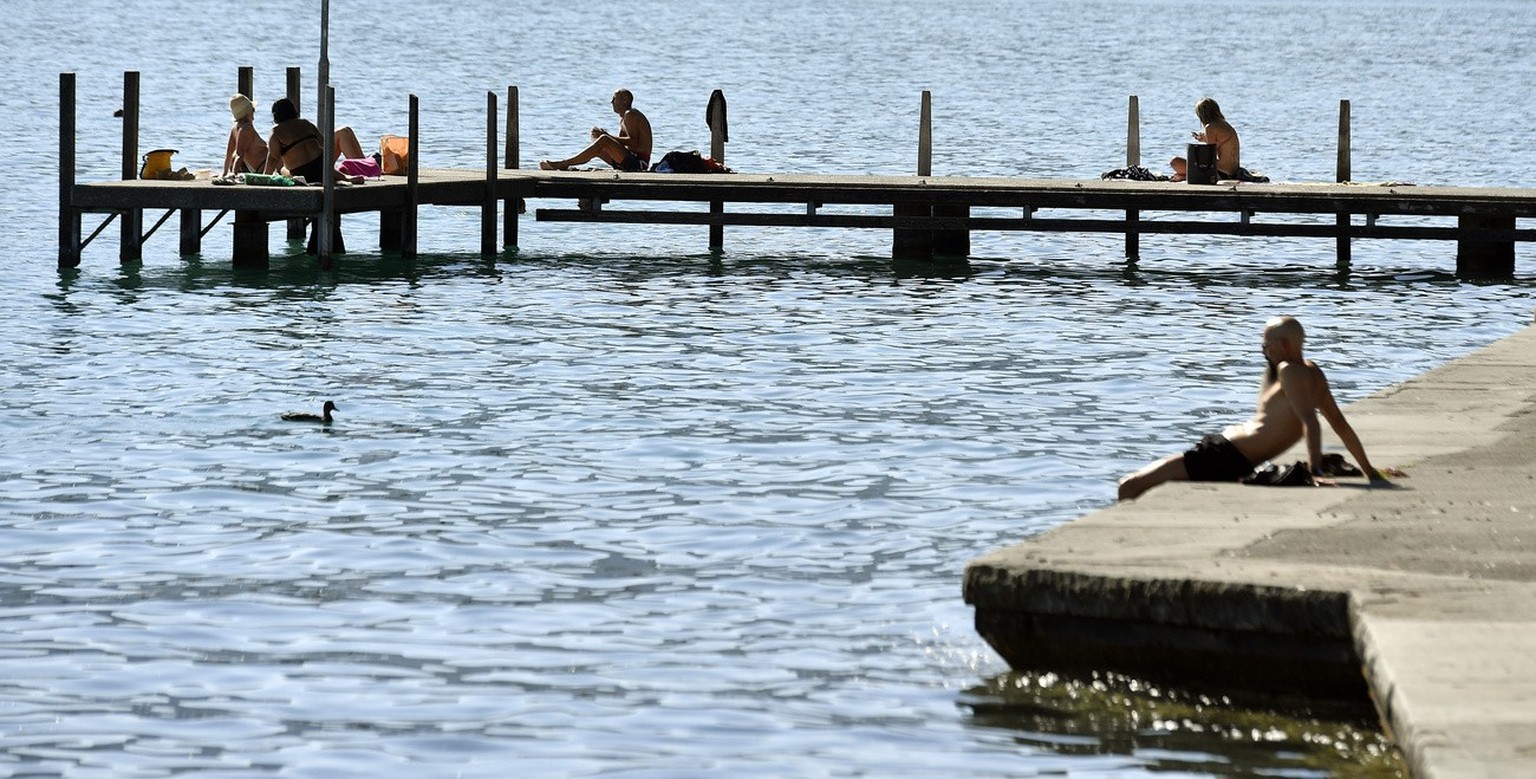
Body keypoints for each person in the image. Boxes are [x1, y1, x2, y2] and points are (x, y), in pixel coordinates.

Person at [1117, 316, 1397, 501]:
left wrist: (1316, 473)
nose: (1264, 350)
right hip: (1234, 457)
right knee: (1145, 484)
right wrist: (1368, 469)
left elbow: (1310, 422)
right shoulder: (1314, 373)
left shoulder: (1288, 370)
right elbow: (1339, 423)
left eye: (1266, 345)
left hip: (1223, 454)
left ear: (1284, 345)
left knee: (1129, 485)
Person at [539, 89, 653, 172]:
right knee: (598, 142)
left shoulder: (631, 115)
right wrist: (600, 136)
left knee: (603, 140)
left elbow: (633, 142)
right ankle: (567, 165)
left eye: (614, 98)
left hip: (638, 164)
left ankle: (563, 163)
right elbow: (622, 145)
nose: (611, 102)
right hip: (628, 161)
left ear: (625, 100)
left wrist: (607, 136)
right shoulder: (624, 118)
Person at [262, 97, 366, 183]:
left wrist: (264, 178)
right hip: (322, 166)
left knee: (282, 169)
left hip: (301, 172)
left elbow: (272, 159)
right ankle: (344, 177)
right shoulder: (306, 123)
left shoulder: (275, 132)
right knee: (320, 165)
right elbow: (324, 143)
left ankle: (342, 177)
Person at [1169, 97, 1261, 182]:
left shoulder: (1210, 127)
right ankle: (1184, 176)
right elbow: (1220, 145)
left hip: (1221, 172)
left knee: (1175, 161)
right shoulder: (1225, 124)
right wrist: (1205, 139)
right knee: (1186, 166)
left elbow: (1209, 156)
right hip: (1232, 170)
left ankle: (1186, 176)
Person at [221, 94, 268, 177]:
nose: (254, 112)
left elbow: (229, 153)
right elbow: (240, 154)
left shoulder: (235, 129)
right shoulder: (246, 129)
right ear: (247, 114)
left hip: (257, 166)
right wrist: (233, 174)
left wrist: (224, 173)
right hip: (264, 165)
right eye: (253, 110)